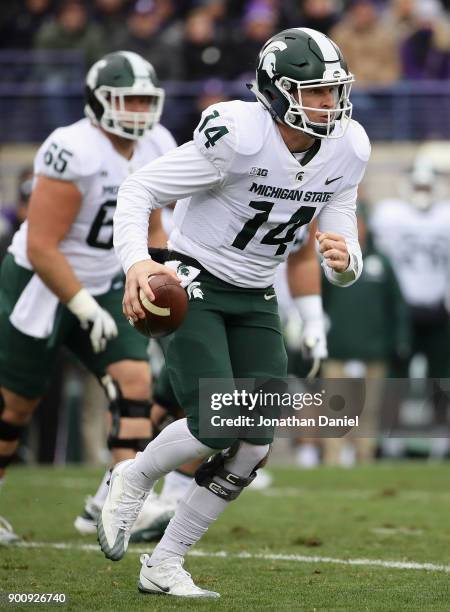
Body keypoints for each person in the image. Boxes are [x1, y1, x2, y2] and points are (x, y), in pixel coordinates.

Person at [100, 27, 370, 598]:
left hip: (256, 294)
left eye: (334, 90)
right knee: (218, 420)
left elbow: (339, 222)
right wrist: (137, 264)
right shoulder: (239, 136)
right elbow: (138, 189)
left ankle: (166, 563)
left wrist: (346, 262)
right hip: (194, 277)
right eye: (315, 91)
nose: (330, 103)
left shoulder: (350, 145)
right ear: (276, 91)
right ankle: (136, 474)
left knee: (254, 441)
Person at [0, 50, 177, 545]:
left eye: (146, 101)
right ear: (98, 102)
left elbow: (155, 221)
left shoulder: (157, 143)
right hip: (42, 282)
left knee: (135, 381)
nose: (139, 112)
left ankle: (120, 503)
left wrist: (159, 269)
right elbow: (40, 244)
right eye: (128, 101)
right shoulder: (71, 148)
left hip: (110, 280)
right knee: (14, 406)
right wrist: (80, 306)